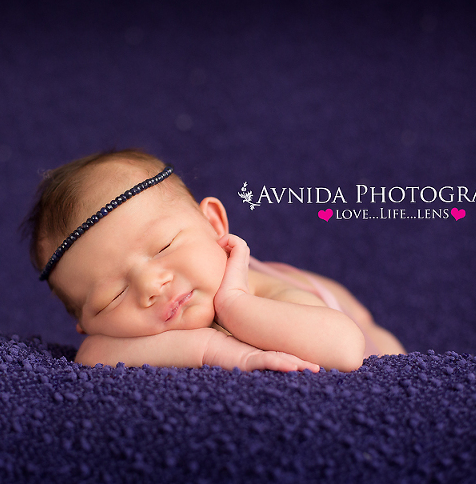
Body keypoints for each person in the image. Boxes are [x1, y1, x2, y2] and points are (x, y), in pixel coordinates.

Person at [23, 149, 405, 373]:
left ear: (213, 223)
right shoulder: (118, 339)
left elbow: (344, 349)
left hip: (344, 316)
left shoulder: (271, 294)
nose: (150, 286)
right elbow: (92, 356)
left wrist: (235, 303)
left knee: (383, 341)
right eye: (113, 295)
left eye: (163, 247)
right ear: (85, 324)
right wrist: (214, 349)